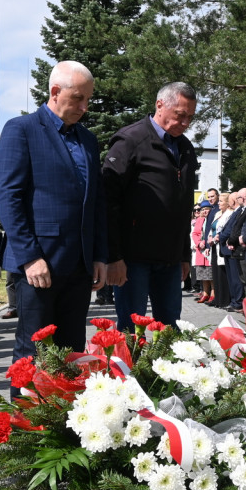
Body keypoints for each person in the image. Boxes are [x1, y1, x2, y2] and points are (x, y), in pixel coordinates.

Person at [0, 60, 107, 375]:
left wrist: (98, 254)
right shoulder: (22, 129)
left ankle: (65, 423)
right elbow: (8, 197)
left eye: (88, 99)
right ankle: (25, 424)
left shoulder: (87, 140)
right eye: (78, 99)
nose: (84, 107)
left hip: (79, 266)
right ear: (55, 92)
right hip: (39, 264)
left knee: (72, 353)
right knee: (34, 351)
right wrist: (30, 256)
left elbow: (95, 202)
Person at [103, 82, 198, 330]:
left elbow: (183, 207)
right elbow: (108, 201)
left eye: (190, 117)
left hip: (169, 259)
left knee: (169, 332)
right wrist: (114, 257)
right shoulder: (130, 141)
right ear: (160, 105)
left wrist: (184, 255)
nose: (185, 123)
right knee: (132, 331)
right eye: (180, 115)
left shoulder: (186, 149)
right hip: (132, 260)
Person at [218, 190, 246, 312]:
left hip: (232, 248)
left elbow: (232, 229)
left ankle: (238, 301)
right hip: (227, 248)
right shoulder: (235, 212)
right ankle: (235, 300)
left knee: (235, 278)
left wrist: (222, 237)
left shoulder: (238, 212)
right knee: (232, 278)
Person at [208, 191, 231, 308]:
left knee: (222, 273)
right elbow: (212, 228)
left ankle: (224, 300)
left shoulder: (229, 213)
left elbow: (225, 229)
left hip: (221, 245)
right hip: (214, 246)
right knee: (216, 273)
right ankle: (218, 299)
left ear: (227, 203)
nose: (219, 203)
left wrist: (217, 238)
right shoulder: (217, 213)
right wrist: (210, 238)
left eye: (221, 201)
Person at [192, 200, 214, 303]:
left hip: (208, 249)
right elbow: (195, 233)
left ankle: (213, 293)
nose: (205, 211)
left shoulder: (213, 218)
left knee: (211, 274)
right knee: (203, 274)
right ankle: (205, 293)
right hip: (200, 251)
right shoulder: (200, 220)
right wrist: (198, 242)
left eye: (207, 209)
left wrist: (205, 242)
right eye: (203, 209)